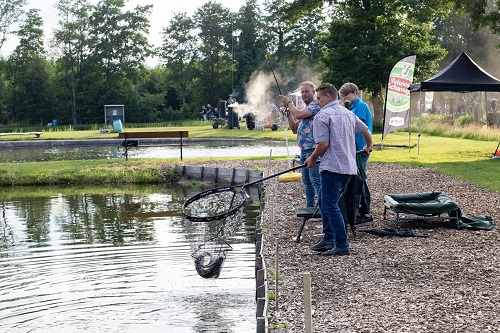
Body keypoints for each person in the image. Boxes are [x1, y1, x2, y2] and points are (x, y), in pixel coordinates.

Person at [305, 83, 372, 256]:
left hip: (332, 167)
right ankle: (328, 238)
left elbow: (323, 145)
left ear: (328, 97)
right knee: (324, 201)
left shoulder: (322, 116)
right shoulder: (348, 113)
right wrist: (368, 146)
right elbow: (365, 130)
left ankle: (342, 244)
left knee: (329, 205)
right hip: (349, 168)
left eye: (318, 98)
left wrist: (312, 158)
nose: (317, 102)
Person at [279, 81, 321, 208]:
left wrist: (288, 103)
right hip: (303, 150)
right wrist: (289, 116)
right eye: (302, 92)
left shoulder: (315, 105)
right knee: (307, 182)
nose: (304, 94)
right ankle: (310, 207)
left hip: (313, 149)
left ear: (314, 92)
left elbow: (298, 114)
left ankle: (321, 209)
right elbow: (294, 129)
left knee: (316, 181)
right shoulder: (304, 109)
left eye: (306, 91)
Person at [339, 82, 373, 224]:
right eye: (343, 96)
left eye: (346, 95)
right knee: (355, 179)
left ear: (354, 92)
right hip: (353, 149)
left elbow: (357, 123)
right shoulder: (352, 107)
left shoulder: (360, 106)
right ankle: (357, 210)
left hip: (360, 148)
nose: (345, 98)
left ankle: (362, 212)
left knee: (359, 181)